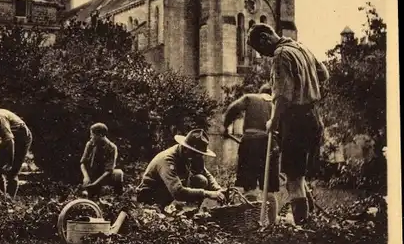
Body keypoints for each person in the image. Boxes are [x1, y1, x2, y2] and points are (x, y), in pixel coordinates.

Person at [246, 23, 329, 225]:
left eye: (262, 50)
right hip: (314, 118)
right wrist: (307, 88)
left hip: (295, 120)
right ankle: (309, 222)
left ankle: (302, 228)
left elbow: (282, 96)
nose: (265, 55)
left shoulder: (281, 54)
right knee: (298, 176)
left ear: (265, 38)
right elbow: (324, 74)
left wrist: (273, 122)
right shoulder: (302, 48)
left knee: (293, 180)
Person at [221, 83, 280, 224]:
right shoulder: (277, 105)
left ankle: (252, 224)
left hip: (250, 144)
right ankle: (272, 225)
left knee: (249, 187)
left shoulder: (250, 98)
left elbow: (232, 109)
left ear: (260, 92)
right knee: (270, 189)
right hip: (270, 145)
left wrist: (226, 127)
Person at [136, 129, 226, 209]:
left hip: (169, 191)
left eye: (200, 154)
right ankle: (166, 210)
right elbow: (177, 192)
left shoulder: (191, 156)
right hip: (151, 195)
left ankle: (189, 211)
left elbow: (205, 173)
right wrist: (208, 193)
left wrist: (218, 189)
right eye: (195, 153)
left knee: (201, 179)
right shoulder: (167, 160)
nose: (198, 157)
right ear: (185, 148)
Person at [80, 123, 124, 198]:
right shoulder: (90, 144)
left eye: (92, 135)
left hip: (103, 175)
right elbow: (83, 163)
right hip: (91, 173)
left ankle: (118, 199)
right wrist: (86, 177)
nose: (91, 137)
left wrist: (95, 183)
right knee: (90, 195)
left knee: (119, 174)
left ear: (100, 135)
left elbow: (109, 170)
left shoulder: (112, 147)